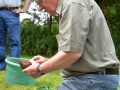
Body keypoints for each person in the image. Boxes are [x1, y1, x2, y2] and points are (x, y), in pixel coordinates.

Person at [23, 0, 120, 90]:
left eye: (40, 1)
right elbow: (77, 53)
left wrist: (39, 70)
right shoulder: (69, 6)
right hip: (92, 77)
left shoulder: (72, 4)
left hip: (94, 78)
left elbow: (71, 53)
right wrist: (47, 61)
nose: (40, 8)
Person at [0, 0, 32, 70]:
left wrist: (24, 9)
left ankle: (13, 66)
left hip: (12, 12)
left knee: (15, 42)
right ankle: (1, 65)